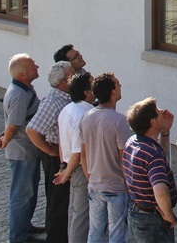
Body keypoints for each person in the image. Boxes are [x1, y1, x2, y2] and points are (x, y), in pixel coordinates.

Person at [0, 53, 44, 243]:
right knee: (22, 195)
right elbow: (13, 125)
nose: (37, 67)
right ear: (22, 74)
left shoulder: (24, 89)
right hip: (22, 152)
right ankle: (19, 237)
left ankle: (25, 226)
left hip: (29, 150)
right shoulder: (18, 95)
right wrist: (4, 141)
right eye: (33, 66)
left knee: (28, 192)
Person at [80, 72, 131, 243]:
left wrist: (91, 179)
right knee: (117, 234)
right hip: (116, 187)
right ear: (112, 92)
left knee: (95, 233)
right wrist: (130, 186)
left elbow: (83, 154)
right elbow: (124, 158)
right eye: (117, 83)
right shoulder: (120, 121)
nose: (120, 85)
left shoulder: (86, 117)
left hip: (95, 185)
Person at [26, 61, 74, 243]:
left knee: (66, 199)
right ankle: (55, 238)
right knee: (58, 200)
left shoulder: (65, 97)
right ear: (62, 83)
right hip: (56, 156)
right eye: (72, 76)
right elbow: (33, 129)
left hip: (64, 153)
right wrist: (49, 150)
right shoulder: (53, 102)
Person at [123, 97, 177, 242]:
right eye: (158, 112)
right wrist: (169, 215)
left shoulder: (132, 142)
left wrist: (165, 132)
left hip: (136, 211)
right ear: (152, 122)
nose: (162, 111)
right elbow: (160, 191)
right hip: (152, 220)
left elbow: (161, 159)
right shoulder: (152, 154)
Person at [55, 71, 95, 243]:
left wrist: (63, 169)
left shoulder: (68, 109)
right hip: (79, 168)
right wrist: (67, 172)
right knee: (81, 214)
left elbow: (62, 143)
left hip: (70, 166)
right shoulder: (83, 115)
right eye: (93, 86)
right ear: (86, 92)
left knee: (74, 211)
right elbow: (78, 152)